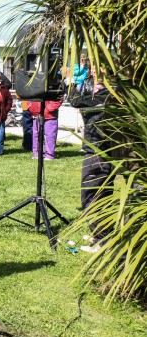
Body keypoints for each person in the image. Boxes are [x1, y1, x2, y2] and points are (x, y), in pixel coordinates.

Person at [70, 72, 113, 252]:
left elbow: (75, 100)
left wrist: (72, 82)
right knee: (103, 195)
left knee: (92, 196)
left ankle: (101, 240)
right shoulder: (107, 93)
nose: (92, 73)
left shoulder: (106, 95)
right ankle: (102, 234)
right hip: (102, 152)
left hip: (98, 152)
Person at [27, 95, 64, 160]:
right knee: (36, 135)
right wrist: (30, 106)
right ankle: (37, 153)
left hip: (50, 116)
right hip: (36, 114)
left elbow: (59, 97)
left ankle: (49, 155)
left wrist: (48, 109)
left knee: (49, 136)